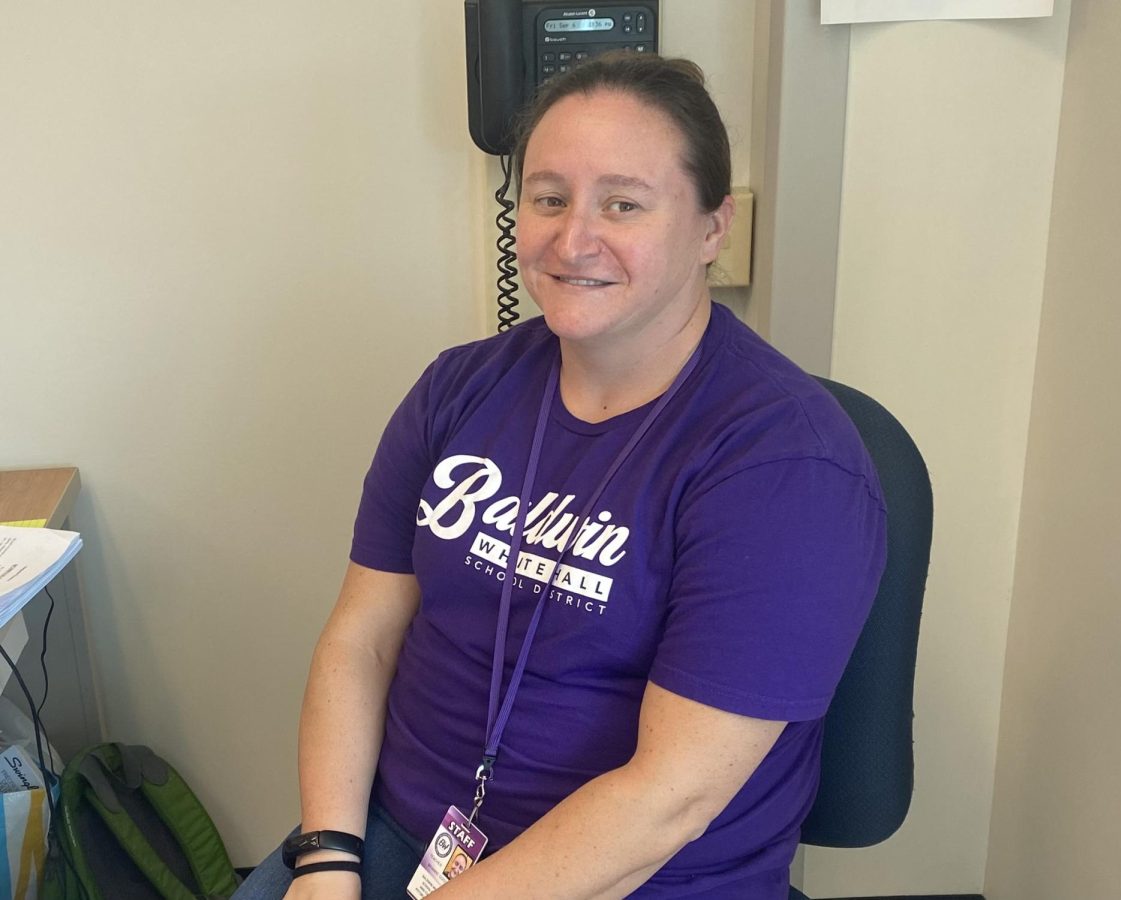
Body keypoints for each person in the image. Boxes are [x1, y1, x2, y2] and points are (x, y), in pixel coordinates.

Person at [234, 53, 886, 900]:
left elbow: (668, 800)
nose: (572, 238)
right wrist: (325, 860)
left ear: (711, 228)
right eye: (548, 198)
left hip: (640, 875)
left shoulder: (786, 466)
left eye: (623, 203)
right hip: (403, 835)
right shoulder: (459, 388)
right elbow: (362, 639)